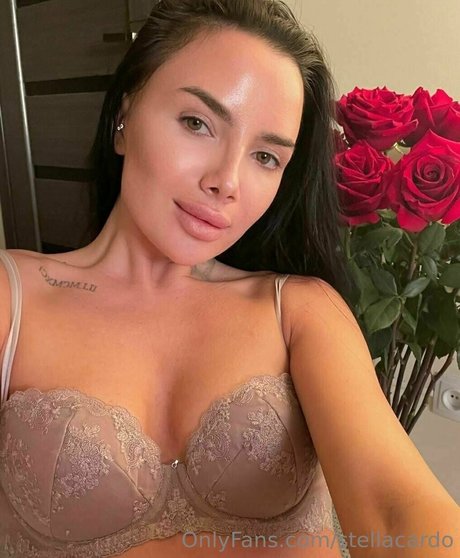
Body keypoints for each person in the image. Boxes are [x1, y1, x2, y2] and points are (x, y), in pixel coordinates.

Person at [0, 1, 458, 557]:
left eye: (265, 156)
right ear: (124, 117)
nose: (227, 182)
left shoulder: (298, 310)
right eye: (197, 123)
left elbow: (393, 512)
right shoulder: (13, 298)